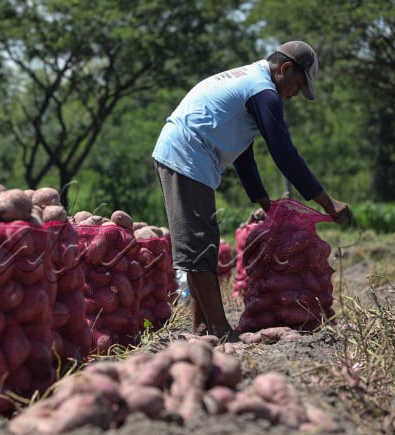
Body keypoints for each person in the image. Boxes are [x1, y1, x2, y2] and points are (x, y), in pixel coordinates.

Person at [151, 40, 353, 342]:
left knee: (201, 245)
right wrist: (327, 202)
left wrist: (261, 199)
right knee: (199, 248)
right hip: (186, 155)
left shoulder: (251, 81)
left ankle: (202, 328)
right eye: (298, 84)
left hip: (188, 155)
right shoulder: (264, 93)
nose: (296, 94)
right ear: (285, 69)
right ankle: (220, 330)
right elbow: (284, 154)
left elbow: (243, 152)